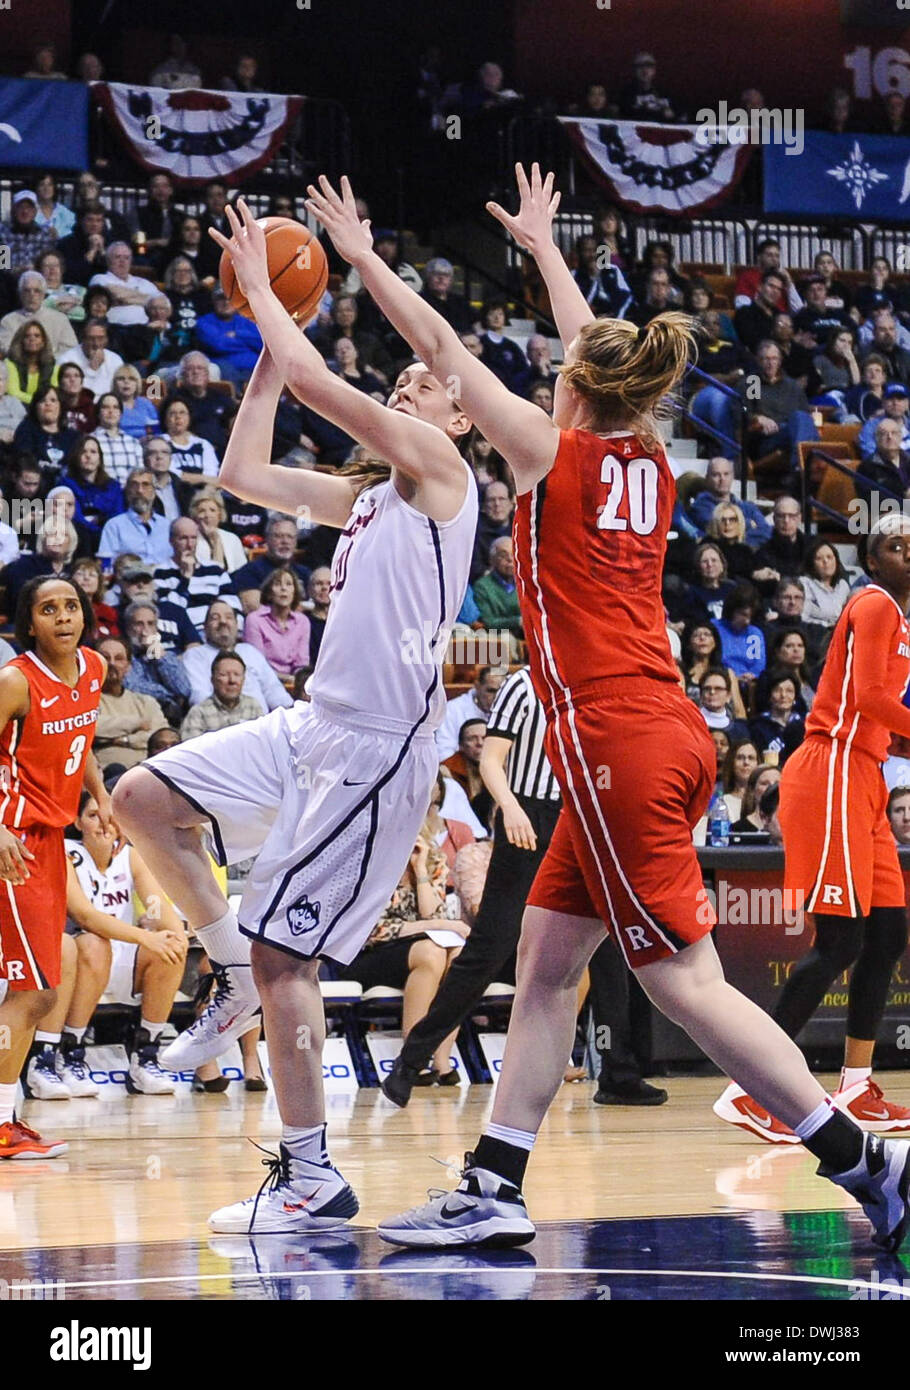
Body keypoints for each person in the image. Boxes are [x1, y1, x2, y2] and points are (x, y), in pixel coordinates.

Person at [336, 163, 907, 1253]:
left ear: (570, 389)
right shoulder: (644, 452)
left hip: (610, 740)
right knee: (549, 963)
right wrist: (547, 252)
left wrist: (364, 257)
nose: (552, 369)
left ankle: (858, 1160)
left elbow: (449, 352)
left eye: (560, 367)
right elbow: (597, 348)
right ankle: (495, 1185)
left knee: (680, 979)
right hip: (660, 729)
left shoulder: (552, 451)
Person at [112, 192, 477, 1236]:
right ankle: (225, 966)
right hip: (313, 729)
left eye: (431, 383)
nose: (414, 379)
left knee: (293, 963)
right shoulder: (367, 493)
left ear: (457, 421)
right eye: (406, 372)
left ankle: (309, 1173)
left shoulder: (444, 475)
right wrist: (271, 357)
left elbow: (325, 381)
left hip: (375, 757)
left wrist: (272, 302)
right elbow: (237, 472)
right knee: (141, 793)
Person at [716, 516, 910, 1143]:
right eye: (893, 544)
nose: (906, 550)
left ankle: (855, 1083)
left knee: (887, 933)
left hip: (869, 776)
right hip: (831, 770)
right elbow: (870, 695)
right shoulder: (874, 602)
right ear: (872, 560)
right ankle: (750, 1090)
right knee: (840, 942)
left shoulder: (900, 617)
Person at [383, 665, 563, 1105]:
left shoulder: (594, 680)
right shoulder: (525, 683)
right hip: (529, 813)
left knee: (607, 948)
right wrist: (510, 807)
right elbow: (490, 758)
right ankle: (411, 1060)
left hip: (577, 814)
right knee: (489, 946)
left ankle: (618, 1070)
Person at [0, 575, 108, 1158]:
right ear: (30, 621)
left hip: (49, 839)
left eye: (71, 606)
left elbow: (81, 740)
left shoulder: (91, 667)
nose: (63, 617)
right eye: (49, 609)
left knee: (39, 992)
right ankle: (1, 1122)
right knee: (31, 989)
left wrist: (102, 795)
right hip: (12, 842)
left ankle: (6, 1118)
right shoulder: (15, 681)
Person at [58, 791, 187, 1094]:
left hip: (123, 959)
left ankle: (146, 1057)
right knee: (94, 943)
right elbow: (86, 917)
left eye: (111, 817)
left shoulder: (131, 857)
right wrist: (146, 937)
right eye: (93, 816)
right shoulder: (64, 852)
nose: (105, 824)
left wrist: (174, 936)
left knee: (171, 947)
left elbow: (156, 906)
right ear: (77, 822)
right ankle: (70, 1053)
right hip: (78, 963)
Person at [345, 819, 470, 1081]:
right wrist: (434, 925)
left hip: (421, 946)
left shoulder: (433, 859)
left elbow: (433, 911)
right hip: (369, 955)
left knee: (459, 956)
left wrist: (420, 870)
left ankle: (442, 1059)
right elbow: (372, 931)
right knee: (430, 952)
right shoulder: (366, 863)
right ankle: (413, 1058)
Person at [179, 599, 291, 711]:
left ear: (237, 625)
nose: (223, 621)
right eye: (215, 618)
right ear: (205, 627)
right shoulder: (195, 656)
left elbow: (272, 688)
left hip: (261, 722)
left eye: (229, 617)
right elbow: (200, 696)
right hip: (220, 722)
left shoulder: (249, 651)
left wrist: (288, 710)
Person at [94, 636, 169, 773]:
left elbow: (162, 738)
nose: (111, 663)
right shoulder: (85, 701)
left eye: (119, 658)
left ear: (128, 667)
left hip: (149, 773)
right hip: (108, 777)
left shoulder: (146, 702)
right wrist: (137, 723)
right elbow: (92, 728)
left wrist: (123, 739)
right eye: (105, 657)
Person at [687, 456, 772, 546]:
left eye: (726, 474)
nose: (722, 479)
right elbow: (720, 532)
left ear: (732, 477)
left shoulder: (748, 507)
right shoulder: (700, 508)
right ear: (707, 479)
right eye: (716, 475)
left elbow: (766, 532)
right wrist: (749, 524)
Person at [242, 567, 312, 676]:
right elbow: (257, 664)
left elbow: (302, 663)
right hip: (264, 680)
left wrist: (298, 680)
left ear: (295, 592)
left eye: (288, 584)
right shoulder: (254, 620)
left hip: (295, 682)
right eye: (277, 584)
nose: (283, 588)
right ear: (269, 593)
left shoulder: (302, 621)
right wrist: (286, 679)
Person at [96, 468, 172, 567]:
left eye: (145, 485)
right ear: (127, 491)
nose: (140, 491)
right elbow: (106, 564)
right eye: (134, 485)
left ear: (154, 491)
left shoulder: (168, 526)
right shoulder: (114, 526)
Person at [180, 651, 264, 740]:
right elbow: (191, 751)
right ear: (212, 680)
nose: (232, 680)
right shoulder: (199, 713)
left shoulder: (253, 706)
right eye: (224, 675)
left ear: (243, 680)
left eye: (237, 674)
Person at [194, 287, 264, 385]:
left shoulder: (248, 320)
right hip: (225, 369)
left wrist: (238, 334)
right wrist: (249, 342)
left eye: (230, 299)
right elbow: (218, 345)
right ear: (214, 301)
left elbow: (262, 343)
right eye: (221, 298)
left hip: (255, 369)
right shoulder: (204, 322)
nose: (226, 302)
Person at [0, 270, 78, 356]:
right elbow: (6, 348)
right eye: (27, 290)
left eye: (37, 291)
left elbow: (70, 349)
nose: (32, 295)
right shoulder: (8, 321)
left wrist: (46, 362)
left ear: (43, 294)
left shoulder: (60, 319)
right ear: (20, 294)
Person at [62, 434, 124, 542]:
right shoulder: (66, 485)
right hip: (78, 539)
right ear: (76, 457)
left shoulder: (113, 486)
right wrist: (98, 527)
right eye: (83, 452)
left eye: (93, 452)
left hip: (110, 539)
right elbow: (76, 519)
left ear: (100, 458)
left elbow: (118, 517)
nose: (88, 456)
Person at [436, 665, 506, 759]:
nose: (497, 697)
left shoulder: (514, 710)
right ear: (477, 686)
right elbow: (444, 754)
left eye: (502, 692)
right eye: (491, 691)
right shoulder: (452, 711)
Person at [13, 384, 78, 470]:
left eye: (53, 400)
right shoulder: (25, 430)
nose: (48, 404)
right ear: (36, 407)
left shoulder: (73, 436)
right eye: (42, 401)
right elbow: (23, 462)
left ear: (61, 406)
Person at [57, 319, 124, 401]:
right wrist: (92, 369)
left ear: (106, 339)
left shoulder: (115, 359)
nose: (96, 343)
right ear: (83, 339)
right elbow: (70, 393)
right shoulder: (67, 359)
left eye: (100, 338)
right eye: (91, 338)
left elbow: (120, 391)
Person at [749, 669, 805, 761]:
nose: (783, 695)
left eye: (789, 691)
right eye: (777, 690)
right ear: (769, 695)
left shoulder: (805, 724)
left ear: (795, 696)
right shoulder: (757, 726)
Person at [188, 488, 247, 572]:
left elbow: (242, 571)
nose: (207, 515)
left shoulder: (232, 539)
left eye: (212, 510)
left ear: (219, 514)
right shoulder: (191, 539)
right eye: (202, 511)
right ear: (195, 515)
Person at [4, 320, 58, 404]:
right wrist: (40, 401)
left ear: (43, 342)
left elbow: (55, 394)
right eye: (27, 336)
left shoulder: (52, 365)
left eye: (37, 336)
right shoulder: (9, 363)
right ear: (21, 341)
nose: (32, 339)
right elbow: (14, 393)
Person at [801, 539, 851, 629]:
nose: (825, 561)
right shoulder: (805, 584)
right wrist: (826, 625)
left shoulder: (843, 586)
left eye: (829, 557)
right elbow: (803, 617)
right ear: (812, 563)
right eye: (819, 558)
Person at [730, 763, 781, 833]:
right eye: (765, 783)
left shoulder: (789, 826)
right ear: (752, 790)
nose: (771, 787)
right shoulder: (738, 829)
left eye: (777, 783)